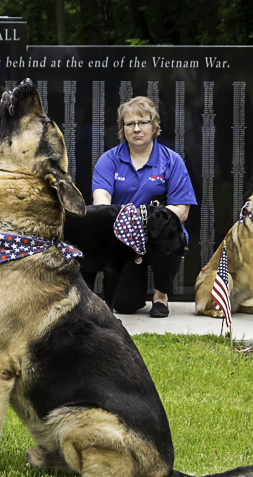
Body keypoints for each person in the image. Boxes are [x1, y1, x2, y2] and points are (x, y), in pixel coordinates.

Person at [91, 96, 197, 317]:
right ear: (123, 128)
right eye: (130, 124)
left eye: (143, 122)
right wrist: (129, 227)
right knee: (126, 305)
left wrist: (145, 223)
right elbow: (101, 205)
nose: (136, 129)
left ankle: (161, 296)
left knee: (167, 235)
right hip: (124, 239)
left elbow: (182, 211)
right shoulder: (108, 160)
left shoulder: (172, 160)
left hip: (160, 237)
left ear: (154, 125)